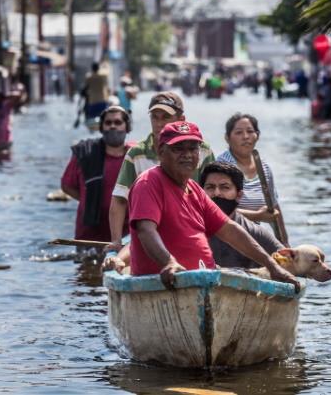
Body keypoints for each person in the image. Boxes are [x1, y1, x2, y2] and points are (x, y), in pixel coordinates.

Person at [128, 121, 299, 291]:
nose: (187, 155)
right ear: (161, 151)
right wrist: (169, 263)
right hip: (165, 286)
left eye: (193, 149)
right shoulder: (149, 183)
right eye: (178, 148)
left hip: (204, 283)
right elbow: (146, 230)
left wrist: (272, 266)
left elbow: (230, 230)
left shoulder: (194, 189)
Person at [107, 92, 215, 252]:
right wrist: (116, 241)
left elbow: (212, 197)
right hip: (149, 232)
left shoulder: (202, 151)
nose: (158, 123)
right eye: (155, 117)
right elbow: (119, 199)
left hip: (192, 230)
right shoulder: (136, 154)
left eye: (165, 117)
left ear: (181, 120)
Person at [61, 106, 133, 245]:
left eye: (118, 123)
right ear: (101, 127)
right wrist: (88, 200)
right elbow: (67, 185)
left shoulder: (135, 156)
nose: (112, 126)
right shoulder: (85, 153)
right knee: (87, 266)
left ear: (127, 127)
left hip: (125, 234)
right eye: (108, 123)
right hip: (89, 234)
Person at [200, 162, 285, 268]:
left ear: (239, 195)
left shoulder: (255, 233)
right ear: (200, 193)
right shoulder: (191, 226)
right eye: (210, 187)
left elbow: (288, 263)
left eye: (225, 187)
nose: (217, 193)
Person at [216, 113, 280, 223]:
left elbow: (274, 209)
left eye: (250, 131)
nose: (245, 136)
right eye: (239, 132)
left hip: (257, 233)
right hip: (228, 234)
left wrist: (284, 240)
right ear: (227, 138)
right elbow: (218, 209)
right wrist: (257, 216)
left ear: (257, 135)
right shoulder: (221, 166)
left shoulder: (264, 168)